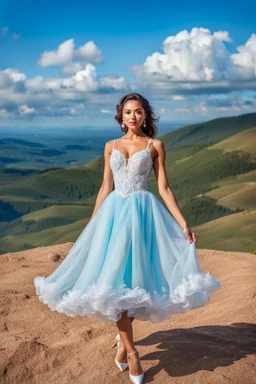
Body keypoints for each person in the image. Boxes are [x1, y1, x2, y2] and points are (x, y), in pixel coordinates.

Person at [34, 93, 221, 384]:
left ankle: (122, 345)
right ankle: (132, 352)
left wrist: (184, 224)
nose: (132, 117)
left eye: (138, 112)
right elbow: (105, 187)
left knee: (135, 284)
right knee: (115, 286)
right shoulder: (111, 146)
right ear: (121, 116)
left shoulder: (155, 145)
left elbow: (165, 189)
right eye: (127, 112)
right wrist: (93, 226)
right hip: (113, 217)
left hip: (143, 217)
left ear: (146, 116)